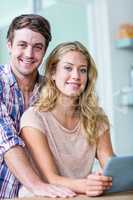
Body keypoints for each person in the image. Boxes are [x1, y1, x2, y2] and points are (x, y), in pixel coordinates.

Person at [20, 41, 114, 197]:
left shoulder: (96, 117)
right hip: (41, 197)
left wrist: (102, 180)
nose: (76, 76)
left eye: (82, 70)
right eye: (68, 68)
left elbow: (110, 165)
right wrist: (86, 185)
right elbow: (50, 178)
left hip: (81, 195)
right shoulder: (33, 118)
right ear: (52, 73)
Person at [0, 14, 75, 199]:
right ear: (9, 45)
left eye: (37, 47)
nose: (29, 54)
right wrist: (37, 185)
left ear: (44, 51)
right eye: (22, 45)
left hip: (41, 195)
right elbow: (6, 139)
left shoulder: (52, 90)